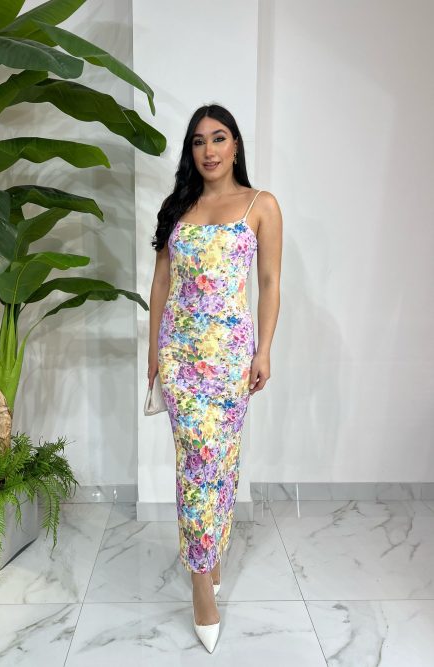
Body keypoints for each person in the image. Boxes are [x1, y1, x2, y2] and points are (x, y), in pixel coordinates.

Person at [147, 103, 282, 652]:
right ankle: (202, 586)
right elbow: (161, 283)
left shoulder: (260, 204)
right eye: (199, 141)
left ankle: (212, 548)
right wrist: (152, 355)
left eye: (219, 138)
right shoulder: (178, 207)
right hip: (180, 358)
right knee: (195, 464)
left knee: (221, 463)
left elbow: (269, 283)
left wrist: (264, 350)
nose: (209, 150)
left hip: (229, 360)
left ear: (235, 145)